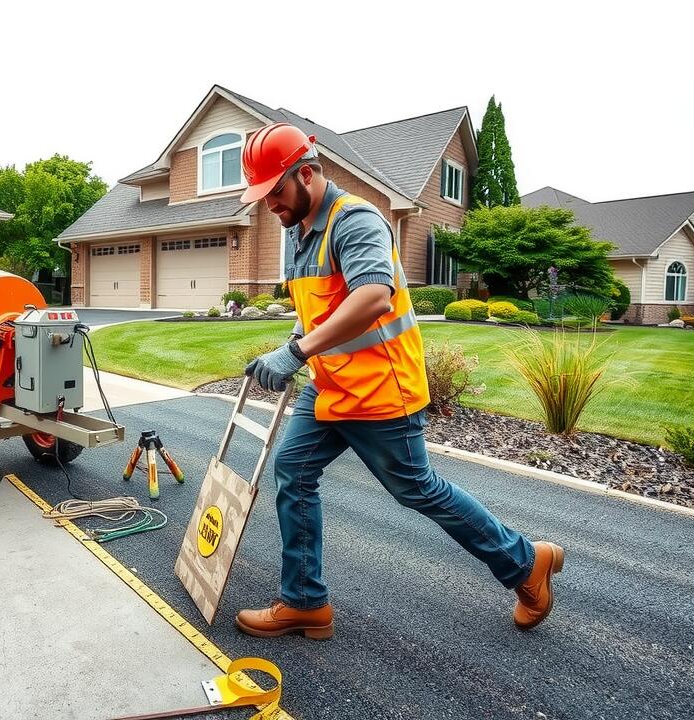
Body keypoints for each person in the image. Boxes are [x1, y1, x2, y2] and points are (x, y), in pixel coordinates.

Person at [236, 123, 564, 640]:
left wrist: (296, 350)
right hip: (331, 386)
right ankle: (305, 602)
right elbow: (318, 309)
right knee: (293, 472)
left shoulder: (357, 220)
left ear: (305, 174)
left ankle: (526, 563)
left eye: (274, 191)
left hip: (382, 390)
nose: (268, 205)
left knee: (417, 490)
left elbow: (372, 299)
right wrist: (292, 352)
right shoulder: (298, 232)